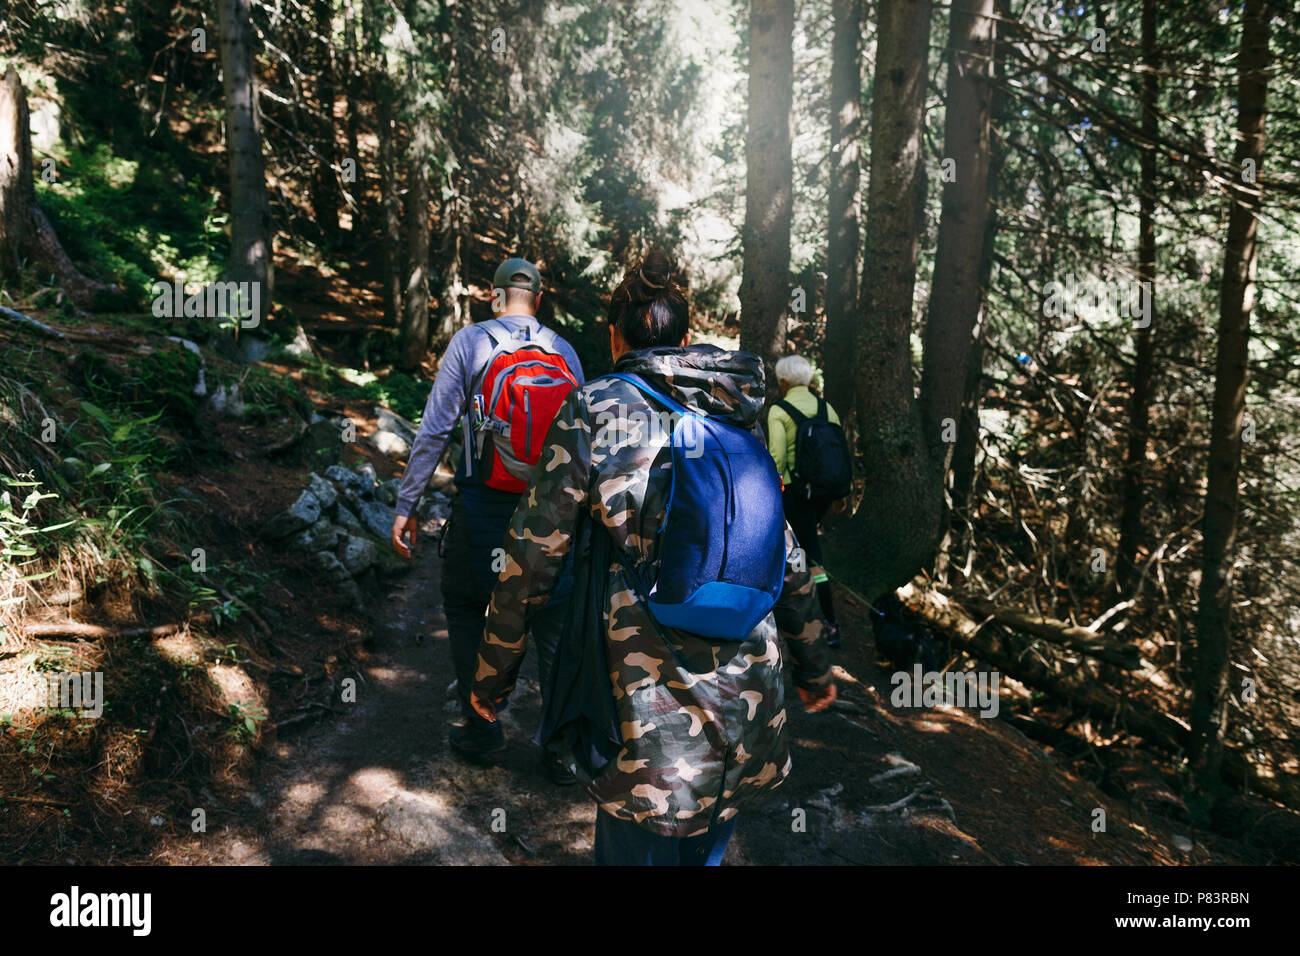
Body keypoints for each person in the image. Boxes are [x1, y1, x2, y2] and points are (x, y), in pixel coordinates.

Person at [469, 252, 836, 866]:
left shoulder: (593, 408)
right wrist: (815, 669)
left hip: (646, 707)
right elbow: (788, 558)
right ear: (686, 339)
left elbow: (530, 560)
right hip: (748, 697)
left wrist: (492, 676)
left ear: (615, 338)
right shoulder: (737, 414)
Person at [390, 257, 584, 770]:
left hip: (483, 506)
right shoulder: (563, 350)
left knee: (465, 605)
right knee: (554, 620)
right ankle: (560, 750)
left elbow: (434, 429)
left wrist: (408, 504)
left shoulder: (470, 343)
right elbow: (583, 443)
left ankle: (483, 727)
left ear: (495, 297)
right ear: (538, 299)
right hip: (549, 512)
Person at [767, 354, 848, 647]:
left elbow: (776, 456)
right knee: (804, 547)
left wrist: (771, 491)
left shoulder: (779, 410)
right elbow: (838, 450)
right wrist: (840, 494)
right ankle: (816, 618)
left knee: (808, 554)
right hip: (823, 493)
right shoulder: (827, 408)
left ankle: (826, 622)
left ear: (784, 381)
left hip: (794, 493)